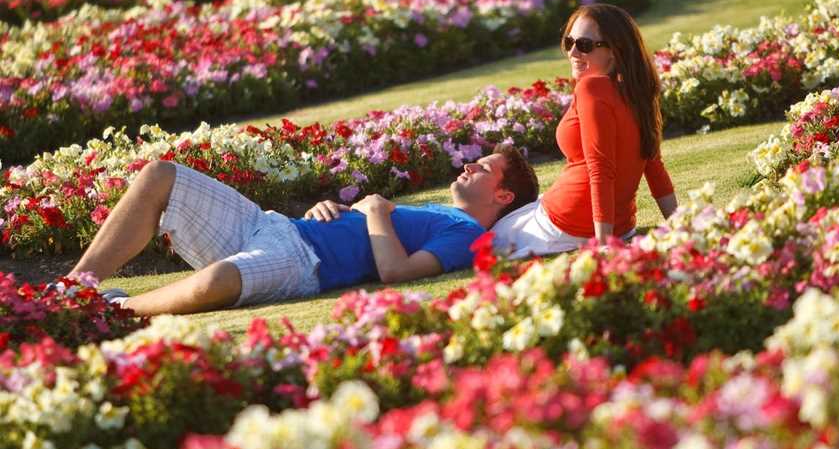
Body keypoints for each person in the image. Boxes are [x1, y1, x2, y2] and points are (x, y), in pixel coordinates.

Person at [67, 144, 538, 315]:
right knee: (160, 175)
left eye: (482, 168)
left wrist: (373, 212)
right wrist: (331, 207)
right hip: (272, 227)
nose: (467, 165)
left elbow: (397, 273)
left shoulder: (468, 237)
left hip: (302, 263)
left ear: (503, 197)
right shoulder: (441, 210)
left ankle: (115, 310)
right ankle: (70, 290)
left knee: (217, 282)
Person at [492, 3, 678, 259]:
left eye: (585, 45)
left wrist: (603, 245)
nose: (573, 52)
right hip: (619, 226)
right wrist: (679, 224)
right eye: (569, 42)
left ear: (615, 50)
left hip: (568, 224)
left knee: (482, 234)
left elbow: (600, 168)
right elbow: (653, 164)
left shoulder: (592, 88)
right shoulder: (635, 92)